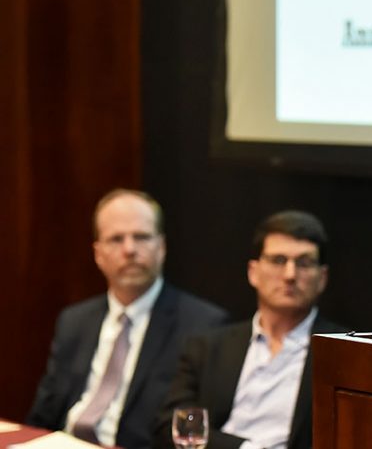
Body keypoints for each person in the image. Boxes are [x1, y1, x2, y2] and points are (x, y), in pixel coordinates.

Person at [26, 189, 228, 448]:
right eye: (116, 239)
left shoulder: (202, 325)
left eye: (141, 237)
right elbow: (44, 412)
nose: (130, 249)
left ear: (162, 247)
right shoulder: (74, 321)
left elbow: (186, 428)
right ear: (98, 254)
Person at [155, 210, 344, 449]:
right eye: (278, 260)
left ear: (322, 278)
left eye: (304, 263)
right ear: (253, 272)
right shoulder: (209, 347)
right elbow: (170, 424)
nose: (290, 274)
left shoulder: (342, 354)